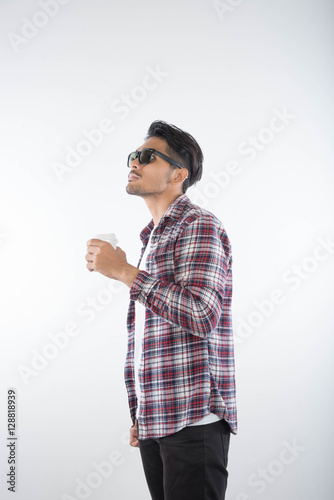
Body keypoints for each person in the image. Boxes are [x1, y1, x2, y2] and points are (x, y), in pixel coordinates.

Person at [85, 120, 237, 500]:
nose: (134, 162)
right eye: (134, 156)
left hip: (194, 421)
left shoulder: (198, 225)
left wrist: (122, 271)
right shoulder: (151, 237)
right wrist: (143, 412)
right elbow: (152, 338)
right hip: (159, 419)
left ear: (178, 174)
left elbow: (202, 315)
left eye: (147, 156)